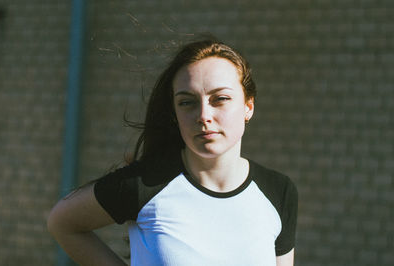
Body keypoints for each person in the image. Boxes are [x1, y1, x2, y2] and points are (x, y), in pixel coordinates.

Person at [47, 38, 298, 266]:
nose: (203, 116)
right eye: (187, 102)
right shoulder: (144, 184)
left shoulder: (279, 191)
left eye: (219, 99)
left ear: (248, 107)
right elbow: (62, 222)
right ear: (175, 114)